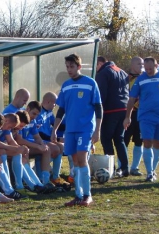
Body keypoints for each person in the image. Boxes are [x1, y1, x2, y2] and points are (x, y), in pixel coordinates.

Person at [51, 53, 102, 207]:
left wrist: (97, 130)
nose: (69, 69)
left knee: (82, 159)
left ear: (79, 67)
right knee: (74, 162)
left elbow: (98, 107)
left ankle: (88, 195)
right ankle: (78, 195)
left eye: (72, 66)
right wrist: (55, 129)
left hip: (85, 128)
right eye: (67, 67)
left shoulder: (90, 83)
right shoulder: (66, 85)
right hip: (70, 130)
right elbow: (61, 110)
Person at [123, 56, 159, 182]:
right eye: (146, 68)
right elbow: (132, 99)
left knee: (158, 144)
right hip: (145, 116)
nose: (147, 71)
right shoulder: (141, 79)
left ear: (156, 66)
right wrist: (127, 117)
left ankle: (153, 171)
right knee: (147, 142)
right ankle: (149, 173)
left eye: (150, 68)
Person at [95, 56, 129, 177]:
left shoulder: (103, 73)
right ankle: (124, 167)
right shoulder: (122, 71)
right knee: (119, 139)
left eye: (96, 66)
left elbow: (101, 95)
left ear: (99, 63)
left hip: (110, 110)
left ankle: (111, 167)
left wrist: (97, 111)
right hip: (124, 109)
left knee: (106, 139)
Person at [14, 101, 55, 190]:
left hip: (23, 145)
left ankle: (45, 180)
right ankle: (29, 183)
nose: (35, 116)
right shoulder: (21, 117)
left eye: (37, 115)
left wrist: (42, 144)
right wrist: (37, 146)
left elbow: (37, 136)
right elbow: (19, 140)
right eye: (34, 113)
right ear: (28, 109)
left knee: (46, 149)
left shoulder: (32, 121)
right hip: (18, 146)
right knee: (25, 151)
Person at [36, 92, 70, 188]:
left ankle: (55, 176)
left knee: (61, 147)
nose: (55, 106)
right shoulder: (39, 113)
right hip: (40, 140)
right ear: (48, 102)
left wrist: (71, 125)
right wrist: (58, 139)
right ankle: (41, 174)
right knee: (55, 148)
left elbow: (56, 124)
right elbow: (39, 134)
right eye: (54, 104)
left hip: (48, 139)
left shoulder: (49, 112)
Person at [123, 56, 144, 176]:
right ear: (132, 65)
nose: (141, 67)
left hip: (141, 114)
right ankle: (122, 166)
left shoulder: (144, 78)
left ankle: (135, 167)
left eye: (142, 65)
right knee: (124, 140)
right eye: (138, 64)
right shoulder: (126, 78)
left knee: (139, 141)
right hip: (128, 113)